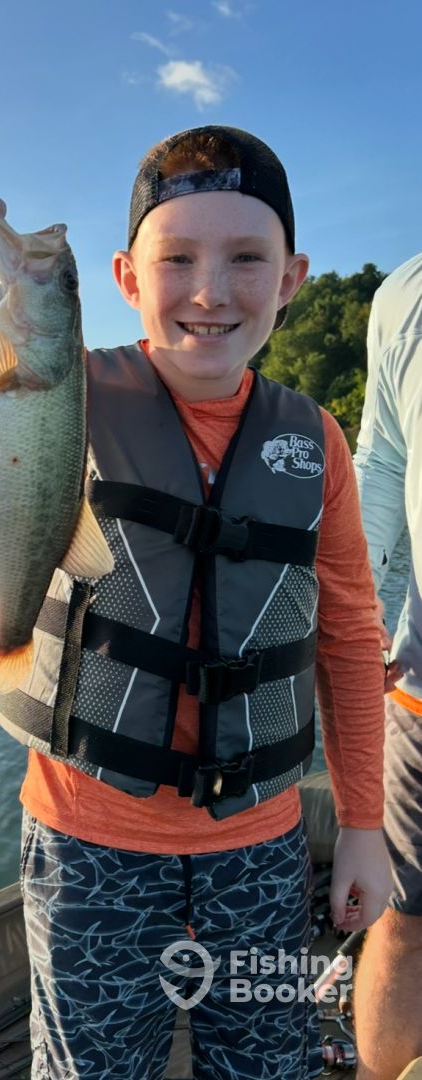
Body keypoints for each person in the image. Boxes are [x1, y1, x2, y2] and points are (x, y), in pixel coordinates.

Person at [0, 125, 392, 1080]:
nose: (210, 290)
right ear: (125, 277)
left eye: (246, 259)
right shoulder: (51, 383)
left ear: (290, 279)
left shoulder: (313, 439)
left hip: (262, 844)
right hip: (87, 842)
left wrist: (361, 825)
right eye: (177, 259)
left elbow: (352, 634)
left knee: (269, 1063)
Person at [353, 254, 422, 1080]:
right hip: (420, 689)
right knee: (403, 924)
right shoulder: (403, 294)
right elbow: (382, 466)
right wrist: (358, 629)